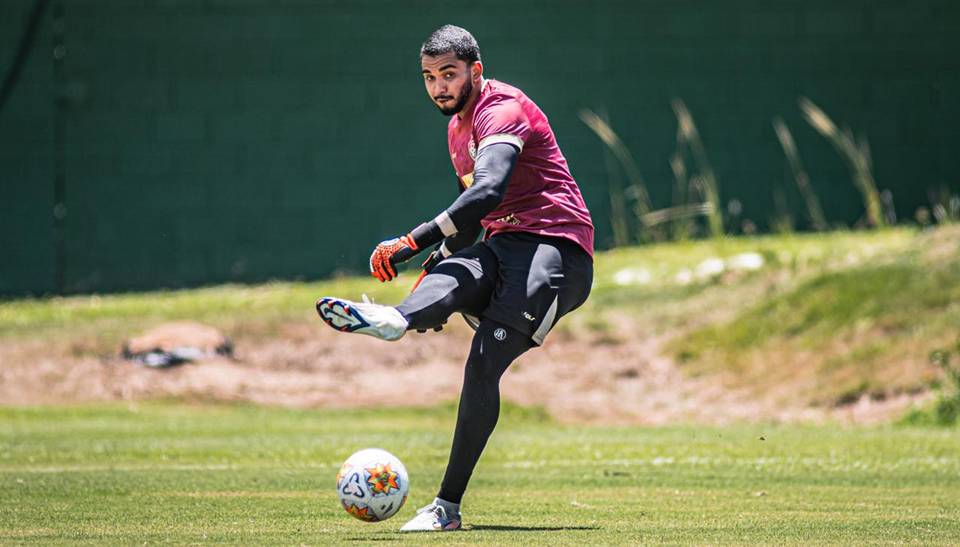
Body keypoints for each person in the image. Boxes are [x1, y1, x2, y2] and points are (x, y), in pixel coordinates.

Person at [316, 24, 594, 532]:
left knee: (483, 363)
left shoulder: (501, 110)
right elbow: (472, 220)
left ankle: (445, 508)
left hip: (558, 254)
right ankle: (394, 318)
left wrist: (413, 239)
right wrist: (438, 256)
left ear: (475, 71)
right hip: (505, 245)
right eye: (428, 77)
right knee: (457, 267)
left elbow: (488, 192)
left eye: (448, 73)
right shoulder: (457, 129)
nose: (439, 86)